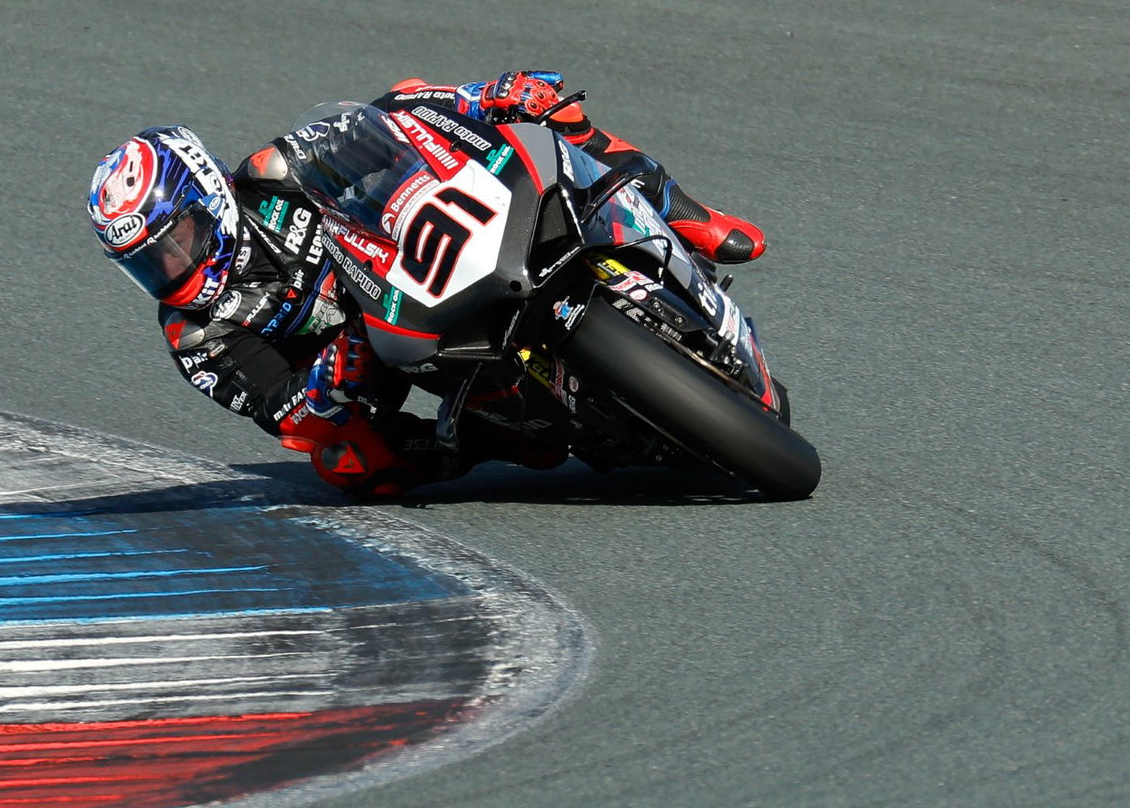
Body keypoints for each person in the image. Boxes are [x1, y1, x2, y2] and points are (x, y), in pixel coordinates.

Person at [86, 73, 766, 498]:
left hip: (426, 254)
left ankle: (688, 217)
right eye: (149, 263)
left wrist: (484, 97)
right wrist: (326, 380)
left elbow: (397, 113)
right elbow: (278, 410)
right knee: (348, 463)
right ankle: (486, 442)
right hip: (376, 356)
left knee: (545, 116)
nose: (169, 268)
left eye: (175, 242)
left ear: (208, 194)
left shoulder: (273, 176)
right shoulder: (195, 334)